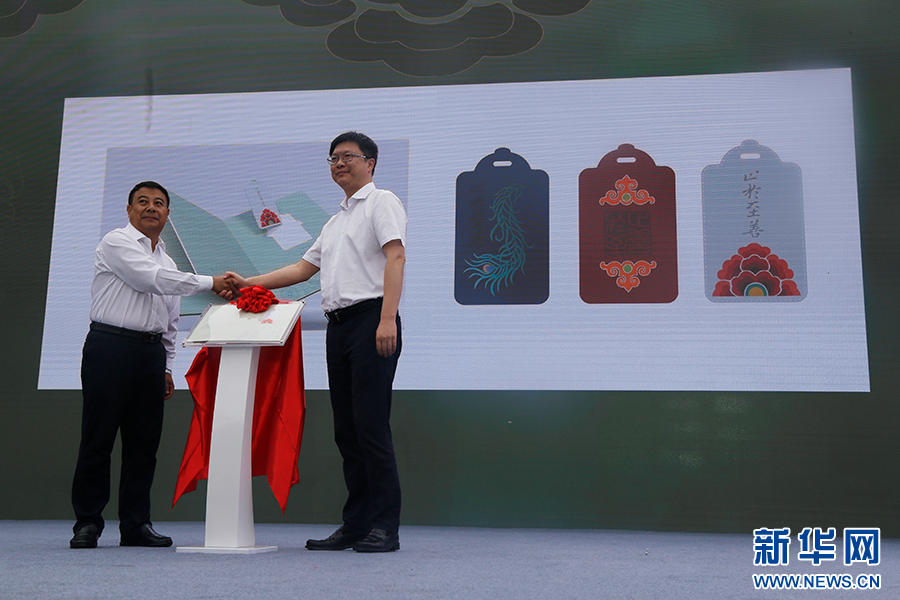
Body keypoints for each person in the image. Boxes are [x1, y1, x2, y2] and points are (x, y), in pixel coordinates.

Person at [223, 131, 407, 553]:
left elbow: (396, 256)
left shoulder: (381, 202)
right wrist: (248, 282)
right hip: (338, 328)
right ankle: (356, 524)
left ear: (370, 163)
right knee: (347, 431)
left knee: (371, 428)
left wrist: (387, 317)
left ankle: (385, 527)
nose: (338, 163)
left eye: (348, 156)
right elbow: (302, 269)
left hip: (371, 320)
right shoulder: (334, 221)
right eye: (333, 158)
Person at [70, 181, 236, 549]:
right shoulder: (116, 242)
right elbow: (150, 279)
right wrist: (212, 282)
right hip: (110, 347)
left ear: (167, 214)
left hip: (150, 354)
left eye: (159, 203)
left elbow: (171, 320)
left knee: (143, 445)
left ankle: (135, 525)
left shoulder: (169, 261)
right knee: (98, 439)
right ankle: (88, 523)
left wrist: (167, 366)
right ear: (129, 210)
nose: (151, 208)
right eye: (142, 202)